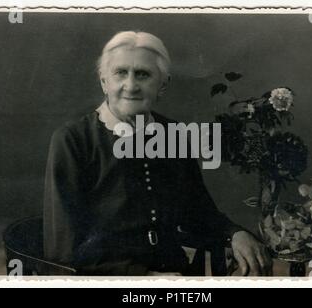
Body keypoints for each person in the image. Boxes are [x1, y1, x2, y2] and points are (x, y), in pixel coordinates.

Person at [43, 31, 272, 276]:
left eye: (143, 74)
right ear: (103, 82)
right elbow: (63, 249)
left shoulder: (172, 135)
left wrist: (235, 234)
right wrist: (144, 278)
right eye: (120, 72)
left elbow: (198, 211)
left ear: (162, 85)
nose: (130, 85)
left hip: (175, 274)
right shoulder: (73, 140)